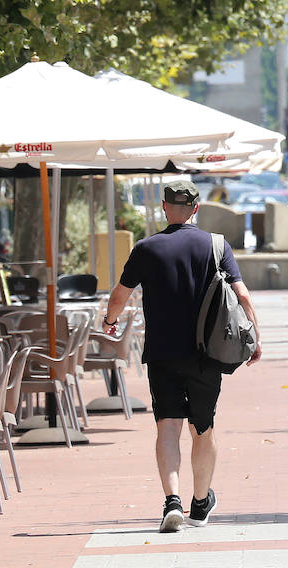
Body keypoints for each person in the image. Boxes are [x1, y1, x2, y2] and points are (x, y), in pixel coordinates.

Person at [102, 179, 262, 532]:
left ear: (164, 207)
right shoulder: (216, 246)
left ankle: (171, 501)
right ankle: (200, 503)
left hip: (161, 354)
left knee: (168, 427)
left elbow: (119, 296)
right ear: (196, 207)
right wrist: (255, 335)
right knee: (202, 428)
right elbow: (243, 296)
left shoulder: (146, 248)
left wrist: (110, 322)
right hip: (207, 354)